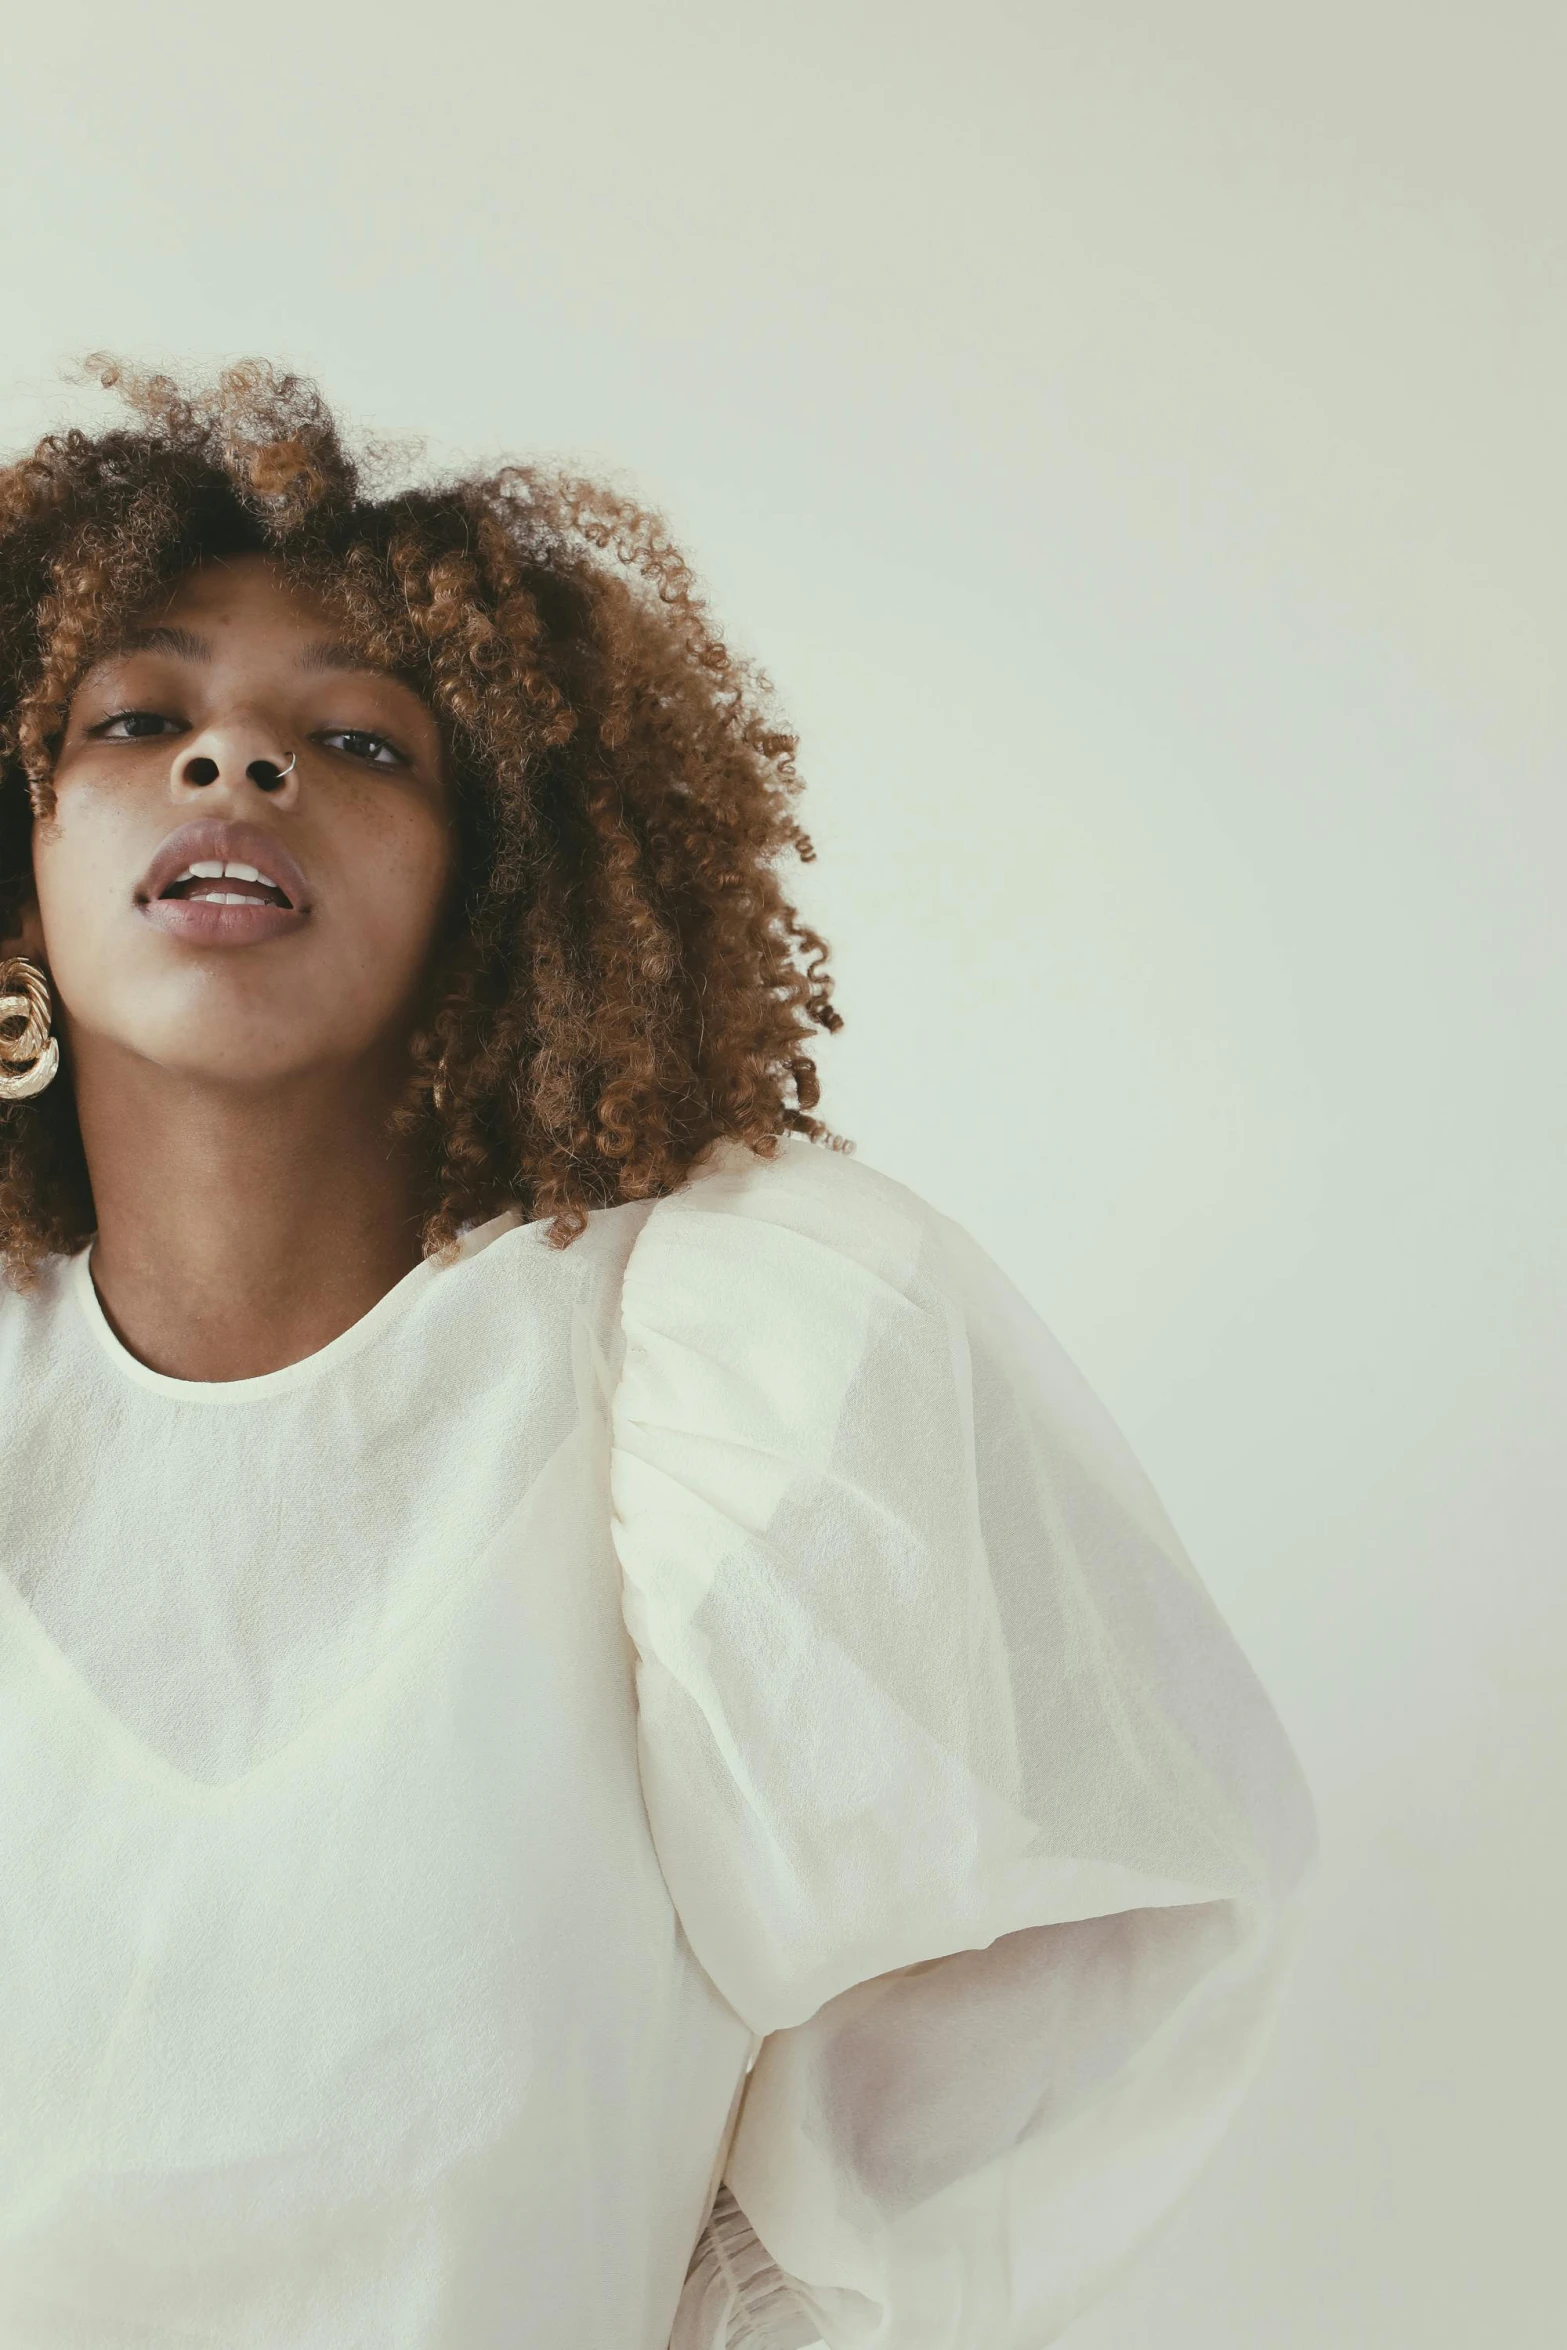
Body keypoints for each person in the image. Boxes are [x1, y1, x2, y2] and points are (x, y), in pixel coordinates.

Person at [0, 360, 1317, 2350]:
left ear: (498, 898)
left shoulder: (718, 1371)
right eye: (138, 717)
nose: (236, 764)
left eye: (355, 736)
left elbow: (1120, 1920)